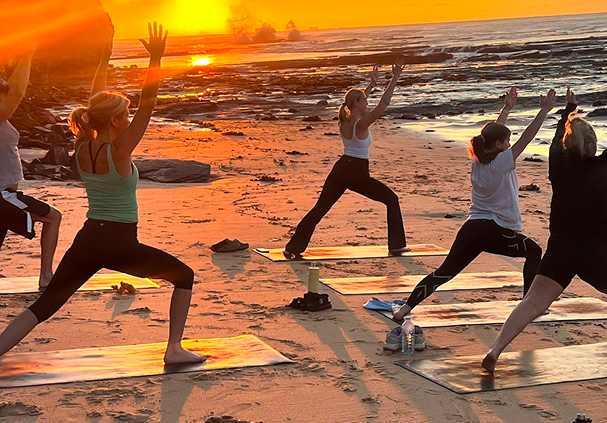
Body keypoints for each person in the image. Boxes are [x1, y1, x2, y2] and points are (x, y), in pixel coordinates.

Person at [0, 22, 205, 364]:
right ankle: (173, 350)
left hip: (88, 238)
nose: (128, 119)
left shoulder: (82, 146)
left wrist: (104, 61)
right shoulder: (119, 150)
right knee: (184, 275)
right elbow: (149, 104)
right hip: (120, 242)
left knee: (46, 304)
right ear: (113, 122)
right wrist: (156, 59)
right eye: (124, 115)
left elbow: (94, 102)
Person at [392, 87, 556, 323]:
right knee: (534, 251)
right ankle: (529, 306)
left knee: (443, 273)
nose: (510, 144)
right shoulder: (502, 162)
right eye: (506, 141)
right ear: (499, 144)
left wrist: (506, 109)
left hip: (472, 229)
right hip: (494, 230)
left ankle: (404, 309)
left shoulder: (478, 160)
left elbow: (489, 136)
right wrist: (543, 111)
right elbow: (526, 138)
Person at [482, 86, 606, 373]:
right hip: (597, 253)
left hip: (561, 250)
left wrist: (568, 110)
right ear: (591, 147)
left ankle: (495, 349)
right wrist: (572, 109)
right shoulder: (602, 167)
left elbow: (556, 140)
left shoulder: (558, 166)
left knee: (532, 304)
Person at [284, 58, 409, 259]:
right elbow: (383, 104)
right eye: (364, 101)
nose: (367, 102)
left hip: (341, 169)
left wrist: (372, 84)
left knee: (320, 208)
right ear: (357, 104)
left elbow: (357, 101)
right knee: (391, 199)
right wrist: (395, 78)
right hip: (357, 173)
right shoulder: (360, 124)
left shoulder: (344, 121)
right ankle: (396, 246)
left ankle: (293, 247)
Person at [0, 42, 62, 291]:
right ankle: (46, 277)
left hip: (7, 194)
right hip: (2, 195)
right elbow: (17, 93)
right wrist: (28, 54)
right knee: (52, 217)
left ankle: (46, 277)